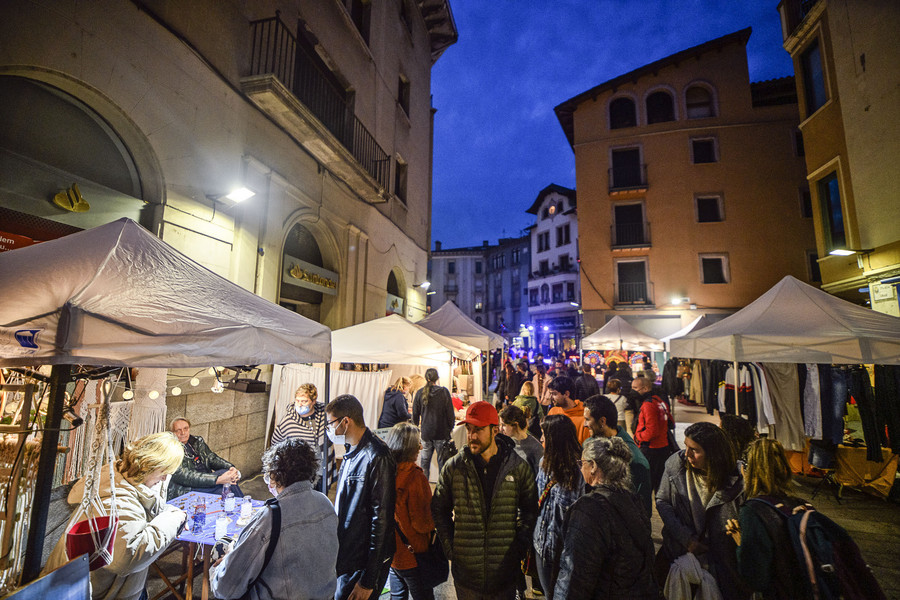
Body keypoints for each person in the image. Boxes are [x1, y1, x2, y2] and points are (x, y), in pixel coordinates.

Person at [45, 432, 187, 600]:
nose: (164, 478)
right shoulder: (117, 500)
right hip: (94, 591)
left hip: (112, 586)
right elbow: (130, 556)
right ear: (149, 464)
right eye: (164, 471)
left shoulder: (124, 480)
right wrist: (174, 517)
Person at [431, 401, 538, 599]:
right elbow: (439, 509)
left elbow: (530, 510)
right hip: (466, 576)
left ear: (495, 430)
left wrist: (519, 548)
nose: (471, 436)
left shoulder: (517, 467)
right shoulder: (454, 467)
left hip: (504, 575)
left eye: (478, 430)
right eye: (469, 429)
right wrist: (451, 547)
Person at [210, 438, 338, 599]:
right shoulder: (325, 503)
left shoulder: (271, 517)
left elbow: (225, 588)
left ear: (276, 476)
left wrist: (226, 560)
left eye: (269, 477)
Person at [553, 437, 658, 600]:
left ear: (593, 466)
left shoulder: (588, 509)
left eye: (582, 464)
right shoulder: (634, 502)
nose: (580, 469)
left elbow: (574, 574)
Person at [656, 422, 748, 600]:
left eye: (695, 450)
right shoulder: (675, 465)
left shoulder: (738, 479)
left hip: (722, 564)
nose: (687, 454)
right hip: (680, 554)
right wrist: (685, 538)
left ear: (713, 453)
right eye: (686, 447)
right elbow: (662, 501)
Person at [326, 394, 397, 600]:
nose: (329, 430)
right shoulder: (350, 450)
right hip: (348, 552)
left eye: (331, 424)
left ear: (345, 422)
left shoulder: (377, 455)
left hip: (362, 560)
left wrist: (368, 579)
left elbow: (381, 520)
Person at [724, 438, 811, 600]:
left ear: (747, 470)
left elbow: (755, 578)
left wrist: (740, 541)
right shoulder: (802, 505)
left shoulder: (753, 511)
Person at [532, 414, 584, 599]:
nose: (541, 439)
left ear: (555, 439)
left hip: (564, 555)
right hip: (541, 546)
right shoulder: (543, 464)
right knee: (548, 594)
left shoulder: (579, 473)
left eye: (545, 435)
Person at [383, 423, 436, 600]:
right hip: (414, 554)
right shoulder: (415, 477)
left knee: (397, 596)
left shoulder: (384, 472)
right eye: (417, 443)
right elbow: (422, 523)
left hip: (392, 554)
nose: (420, 447)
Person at [583, 394, 652, 516]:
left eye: (587, 419)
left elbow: (642, 510)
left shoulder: (634, 460)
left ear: (602, 421)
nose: (584, 424)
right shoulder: (589, 444)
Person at [270, 383, 334, 489]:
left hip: (320, 470)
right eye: (297, 400)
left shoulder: (324, 416)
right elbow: (275, 445)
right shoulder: (288, 420)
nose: (300, 404)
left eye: (304, 401)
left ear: (313, 401)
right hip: (299, 472)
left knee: (319, 500)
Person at [168, 417, 243, 500]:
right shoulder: (171, 449)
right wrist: (217, 480)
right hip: (187, 488)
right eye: (178, 430)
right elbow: (186, 476)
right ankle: (246, 506)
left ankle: (244, 507)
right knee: (224, 488)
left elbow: (212, 459)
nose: (183, 433)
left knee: (227, 481)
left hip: (206, 481)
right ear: (172, 433)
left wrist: (231, 468)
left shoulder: (197, 442)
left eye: (185, 428)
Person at [412, 368, 455, 480]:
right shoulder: (444, 392)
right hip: (441, 433)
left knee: (424, 463)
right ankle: (442, 491)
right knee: (442, 464)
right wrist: (450, 428)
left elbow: (415, 414)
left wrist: (416, 428)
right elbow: (450, 413)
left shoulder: (420, 393)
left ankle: (424, 489)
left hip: (426, 433)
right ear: (437, 378)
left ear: (426, 378)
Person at [632, 379, 674, 492]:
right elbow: (671, 422)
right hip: (663, 447)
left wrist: (638, 436)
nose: (633, 391)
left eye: (635, 388)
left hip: (651, 450)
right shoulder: (660, 401)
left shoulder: (648, 405)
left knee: (646, 486)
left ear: (645, 388)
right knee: (659, 485)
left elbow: (652, 431)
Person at [499, 405, 543, 476]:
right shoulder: (504, 443)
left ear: (515, 425)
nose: (500, 429)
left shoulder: (535, 448)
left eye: (504, 425)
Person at [546, 375, 590, 443]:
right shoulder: (553, 412)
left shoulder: (585, 415)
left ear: (566, 394)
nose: (550, 397)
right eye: (550, 394)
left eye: (554, 394)